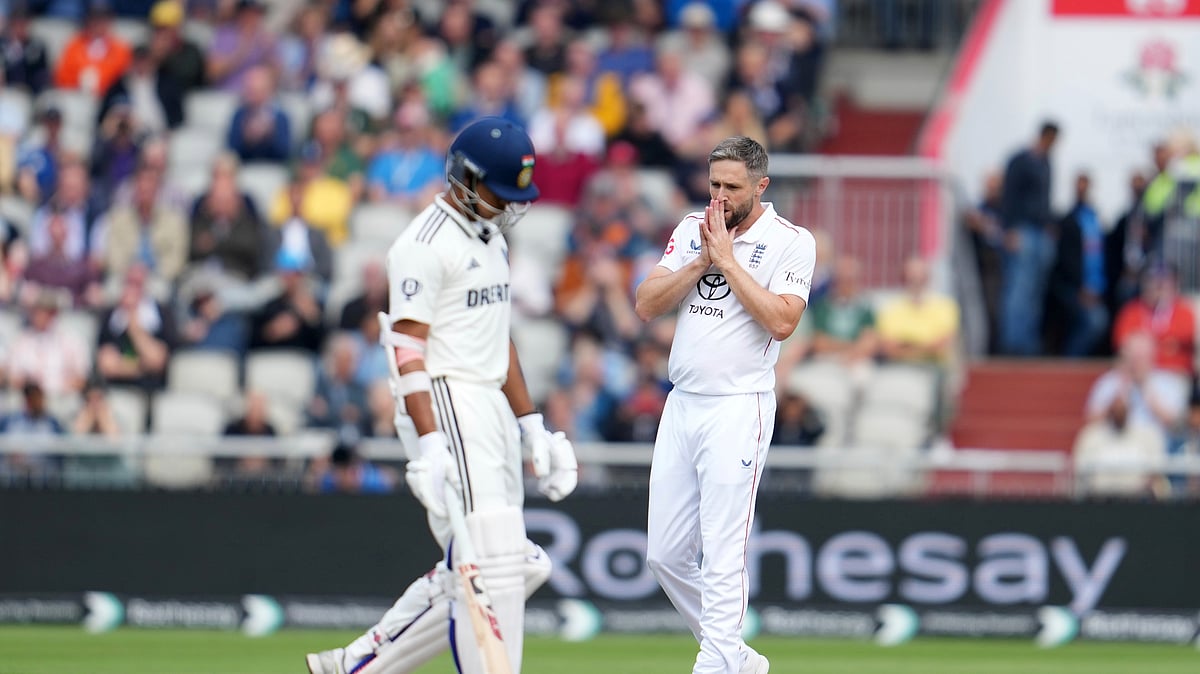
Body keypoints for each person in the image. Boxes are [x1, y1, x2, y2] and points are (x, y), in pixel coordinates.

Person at [304, 117, 579, 674]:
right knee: (487, 562)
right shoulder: (422, 244)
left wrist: (531, 425)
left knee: (512, 564)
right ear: (463, 179)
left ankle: (354, 666)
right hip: (447, 398)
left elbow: (499, 338)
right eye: (498, 193)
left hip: (490, 405)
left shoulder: (492, 236)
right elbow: (407, 346)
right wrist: (429, 443)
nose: (508, 206)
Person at [634, 136, 816, 674]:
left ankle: (714, 665)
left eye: (731, 187)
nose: (719, 197)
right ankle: (737, 657)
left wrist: (729, 264)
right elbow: (646, 303)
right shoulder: (694, 228)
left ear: (761, 185)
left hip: (739, 406)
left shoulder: (792, 240)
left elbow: (783, 321)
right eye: (713, 185)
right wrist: (699, 264)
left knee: (723, 547)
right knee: (663, 555)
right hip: (682, 402)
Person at [999, 121, 1059, 356]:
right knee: (1018, 290)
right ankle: (1012, 344)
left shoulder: (1046, 162)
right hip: (1022, 232)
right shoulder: (1020, 160)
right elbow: (1009, 197)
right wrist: (1010, 229)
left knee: (1034, 292)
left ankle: (1028, 344)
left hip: (1041, 234)